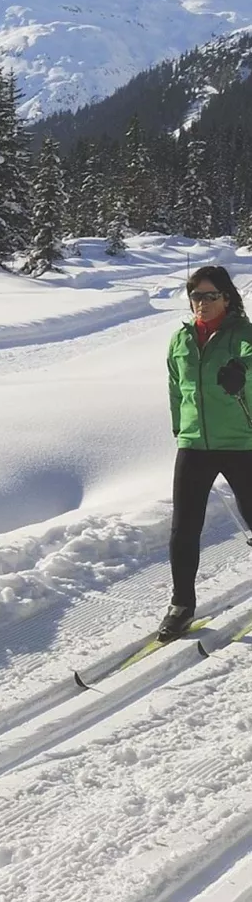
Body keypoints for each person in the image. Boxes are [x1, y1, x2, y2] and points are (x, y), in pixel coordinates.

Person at [161, 265, 252, 639]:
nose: (201, 302)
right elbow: (174, 387)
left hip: (242, 441)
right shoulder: (180, 340)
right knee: (184, 527)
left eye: (210, 295)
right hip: (195, 444)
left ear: (226, 298)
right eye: (196, 295)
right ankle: (181, 604)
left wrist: (241, 370)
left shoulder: (243, 334)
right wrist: (181, 428)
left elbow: (249, 357)